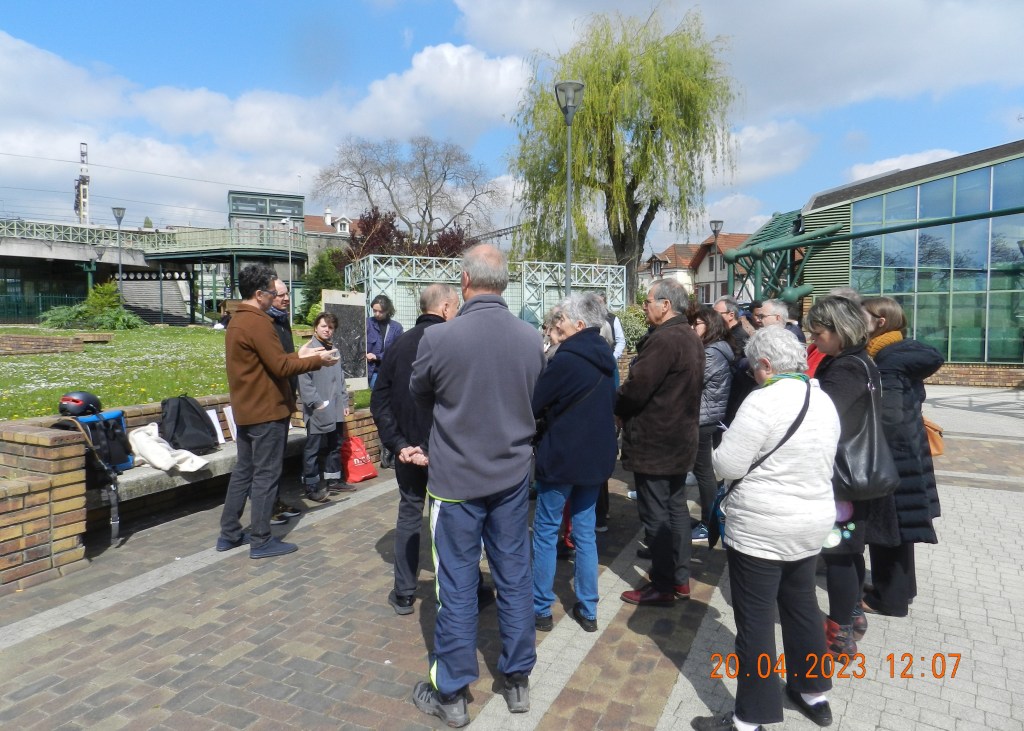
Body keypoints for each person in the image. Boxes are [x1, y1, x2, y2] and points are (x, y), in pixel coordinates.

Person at [408, 244, 545, 727]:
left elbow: (419, 393)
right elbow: (534, 397)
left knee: (457, 585)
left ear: (464, 280)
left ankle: (451, 691)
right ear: (502, 282)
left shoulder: (442, 339)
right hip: (510, 477)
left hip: (456, 482)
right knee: (514, 577)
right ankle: (518, 678)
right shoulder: (531, 339)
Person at [695, 327, 840, 731]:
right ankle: (813, 692)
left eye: (753, 368)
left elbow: (728, 466)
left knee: (756, 620)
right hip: (811, 521)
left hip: (763, 525)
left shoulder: (763, 400)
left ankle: (749, 718)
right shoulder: (822, 397)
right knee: (802, 605)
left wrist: (715, 450)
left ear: (765, 364)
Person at [215, 264, 339, 559]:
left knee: (244, 471)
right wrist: (317, 360)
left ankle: (229, 533)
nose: (276, 297)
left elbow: (272, 361)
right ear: (259, 294)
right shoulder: (257, 322)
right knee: (266, 474)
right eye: (273, 292)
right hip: (266, 411)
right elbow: (281, 367)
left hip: (247, 409)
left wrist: (301, 354)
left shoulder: (238, 320)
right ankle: (260, 539)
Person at [370, 283, 461, 615]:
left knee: (410, 513)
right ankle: (457, 591)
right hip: (443, 450)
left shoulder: (398, 345)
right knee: (450, 520)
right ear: (447, 308)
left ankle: (405, 591)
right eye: (457, 307)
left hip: (409, 449)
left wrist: (399, 444)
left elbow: (379, 401)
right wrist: (416, 446)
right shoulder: (454, 343)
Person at [532, 293, 618, 634]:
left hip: (562, 457)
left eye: (562, 321)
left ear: (580, 324)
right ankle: (588, 607)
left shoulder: (565, 360)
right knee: (584, 533)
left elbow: (536, 402)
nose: (557, 325)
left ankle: (541, 607)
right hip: (594, 458)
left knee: (546, 532)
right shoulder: (606, 359)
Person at [616, 278, 704, 606]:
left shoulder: (666, 339)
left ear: (665, 304)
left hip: (657, 441)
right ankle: (678, 579)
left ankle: (665, 583)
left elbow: (637, 387)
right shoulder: (689, 337)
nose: (644, 306)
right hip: (678, 439)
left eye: (648, 301)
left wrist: (617, 406)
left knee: (657, 514)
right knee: (675, 508)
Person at [806, 294, 884, 657]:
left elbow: (824, 416)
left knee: (837, 552)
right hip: (853, 475)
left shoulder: (847, 367)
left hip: (843, 477)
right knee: (850, 551)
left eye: (819, 333)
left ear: (840, 331)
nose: (814, 340)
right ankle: (852, 615)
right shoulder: (858, 361)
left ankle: (839, 635)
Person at [860, 296, 944, 620]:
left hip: (893, 456)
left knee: (887, 530)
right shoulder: (898, 350)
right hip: (908, 454)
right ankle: (901, 589)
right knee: (899, 530)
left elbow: (889, 417)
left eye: (863, 316)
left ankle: (889, 600)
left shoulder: (888, 359)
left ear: (880, 321)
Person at [688, 306, 736, 541]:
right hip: (706, 415)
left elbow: (691, 380)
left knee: (704, 472)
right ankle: (708, 520)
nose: (692, 327)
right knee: (703, 471)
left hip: (703, 417)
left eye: (697, 323)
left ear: (711, 326)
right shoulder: (715, 349)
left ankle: (709, 523)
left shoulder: (712, 353)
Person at [297, 312, 353, 502]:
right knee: (313, 448)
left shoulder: (334, 350)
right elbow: (304, 382)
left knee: (335, 445)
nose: (327, 330)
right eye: (323, 326)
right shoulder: (309, 350)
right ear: (315, 327)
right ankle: (311, 485)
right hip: (318, 409)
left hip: (335, 407)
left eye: (330, 327)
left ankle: (333, 479)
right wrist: (316, 403)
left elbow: (341, 380)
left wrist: (344, 402)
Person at [268, 280, 302, 524]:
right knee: (270, 460)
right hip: (272, 401)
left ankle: (276, 501)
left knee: (278, 456)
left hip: (287, 396)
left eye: (287, 293)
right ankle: (267, 509)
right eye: (281, 295)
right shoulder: (266, 322)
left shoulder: (282, 319)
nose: (286, 298)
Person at [365, 294, 404, 390]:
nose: (377, 314)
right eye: (374, 311)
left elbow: (398, 350)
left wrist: (377, 356)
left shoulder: (396, 328)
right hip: (373, 371)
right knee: (378, 398)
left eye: (380, 311)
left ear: (387, 311)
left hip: (390, 370)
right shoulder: (367, 323)